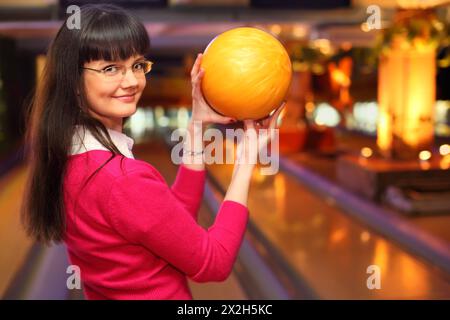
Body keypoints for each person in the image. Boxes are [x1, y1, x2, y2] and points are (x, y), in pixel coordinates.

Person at [21, 4, 283, 300]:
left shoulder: (67, 159)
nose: (132, 81)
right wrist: (247, 158)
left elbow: (170, 222)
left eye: (137, 64)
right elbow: (214, 262)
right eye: (110, 68)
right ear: (74, 81)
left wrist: (196, 126)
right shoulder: (122, 180)